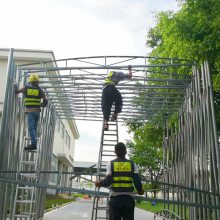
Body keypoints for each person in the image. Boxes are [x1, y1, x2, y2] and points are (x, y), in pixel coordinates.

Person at [95, 142, 144, 220]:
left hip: (115, 201)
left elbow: (108, 181)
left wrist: (99, 183)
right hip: (129, 200)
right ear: (126, 152)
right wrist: (140, 190)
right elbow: (136, 180)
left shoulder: (111, 164)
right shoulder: (133, 164)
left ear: (115, 152)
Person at [14, 74, 48, 150]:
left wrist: (15, 85)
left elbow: (16, 91)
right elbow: (46, 100)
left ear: (30, 82)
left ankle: (33, 144)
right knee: (34, 128)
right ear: (38, 82)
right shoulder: (40, 90)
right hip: (37, 112)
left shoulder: (26, 88)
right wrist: (42, 105)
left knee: (30, 128)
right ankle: (34, 143)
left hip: (30, 111)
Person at [102, 65, 132, 130]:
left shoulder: (110, 74)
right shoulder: (120, 73)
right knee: (119, 100)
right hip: (110, 88)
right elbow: (130, 76)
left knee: (106, 106)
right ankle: (115, 114)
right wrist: (129, 69)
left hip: (104, 90)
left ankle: (106, 124)